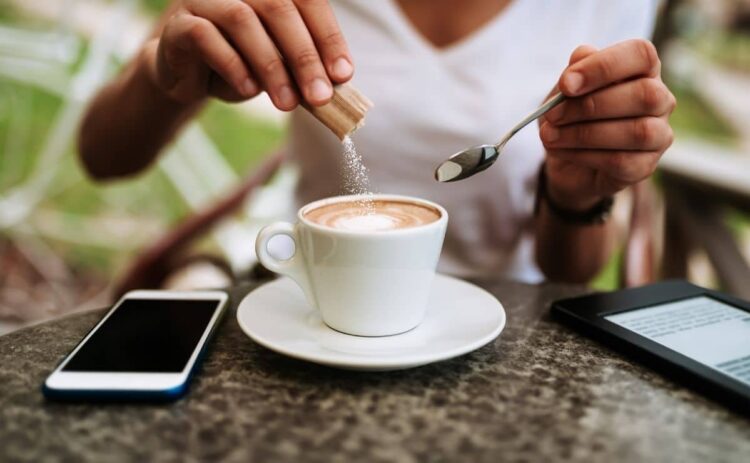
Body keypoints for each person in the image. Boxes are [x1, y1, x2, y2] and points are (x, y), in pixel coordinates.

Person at [78, 0, 675, 283]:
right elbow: (102, 157)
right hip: (308, 304)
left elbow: (572, 270)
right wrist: (165, 77)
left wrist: (578, 192)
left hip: (502, 327)